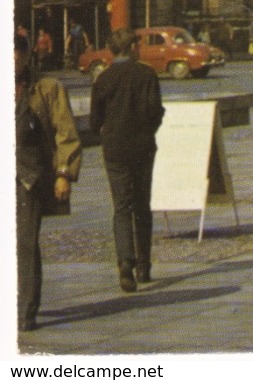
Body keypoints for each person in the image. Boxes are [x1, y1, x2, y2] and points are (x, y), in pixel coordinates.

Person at [89, 28, 164, 293]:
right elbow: (155, 111)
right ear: (131, 47)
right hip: (142, 147)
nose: (139, 48)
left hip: (115, 150)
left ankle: (124, 263)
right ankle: (144, 265)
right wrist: (147, 130)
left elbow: (94, 121)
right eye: (137, 44)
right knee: (143, 205)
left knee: (122, 206)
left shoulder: (103, 79)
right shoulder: (146, 75)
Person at [16, 35, 82, 330]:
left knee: (25, 243)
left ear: (28, 54)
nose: (12, 58)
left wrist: (63, 173)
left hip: (28, 177)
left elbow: (65, 132)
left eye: (17, 52)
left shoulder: (47, 88)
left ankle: (25, 310)